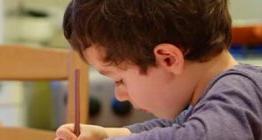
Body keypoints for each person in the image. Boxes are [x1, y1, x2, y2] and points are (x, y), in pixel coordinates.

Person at [56, 0, 262, 139]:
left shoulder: (237, 92)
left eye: (119, 79)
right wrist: (109, 134)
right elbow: (177, 128)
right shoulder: (215, 98)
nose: (119, 95)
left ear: (169, 59)